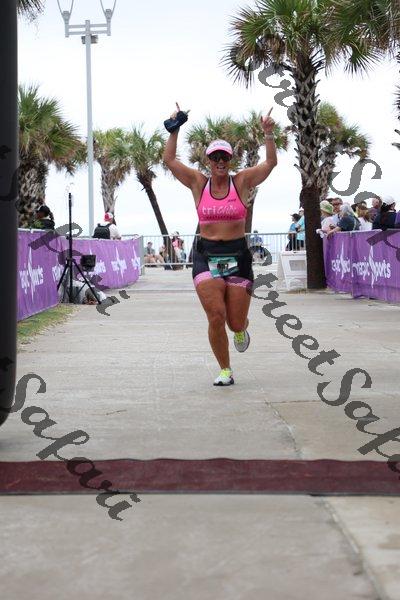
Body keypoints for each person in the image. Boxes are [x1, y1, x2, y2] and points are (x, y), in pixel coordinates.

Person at [163, 103, 277, 386]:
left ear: (230, 159)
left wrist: (268, 134)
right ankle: (225, 369)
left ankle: (241, 329)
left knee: (234, 322)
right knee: (216, 315)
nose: (220, 161)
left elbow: (270, 164)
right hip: (207, 257)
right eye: (215, 157)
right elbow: (170, 160)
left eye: (224, 156)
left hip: (238, 257)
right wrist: (174, 130)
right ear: (209, 161)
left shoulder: (242, 181)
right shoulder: (198, 183)